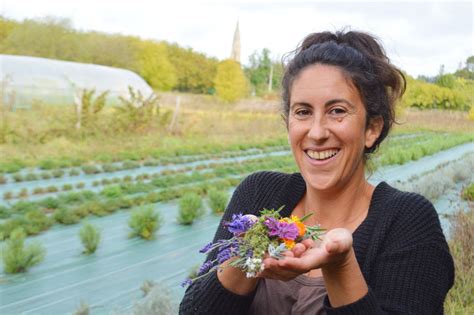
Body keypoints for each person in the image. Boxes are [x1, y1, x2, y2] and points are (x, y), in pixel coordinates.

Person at [179, 30, 454, 314]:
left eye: (337, 111)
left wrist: (340, 265)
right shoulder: (258, 194)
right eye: (303, 112)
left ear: (371, 129)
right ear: (289, 123)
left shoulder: (406, 220)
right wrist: (246, 251)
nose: (317, 132)